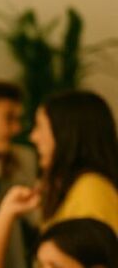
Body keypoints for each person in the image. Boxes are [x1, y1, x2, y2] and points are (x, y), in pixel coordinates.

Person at [30, 90, 118, 234]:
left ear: (66, 133)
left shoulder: (91, 190)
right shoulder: (73, 187)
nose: (34, 137)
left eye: (39, 126)